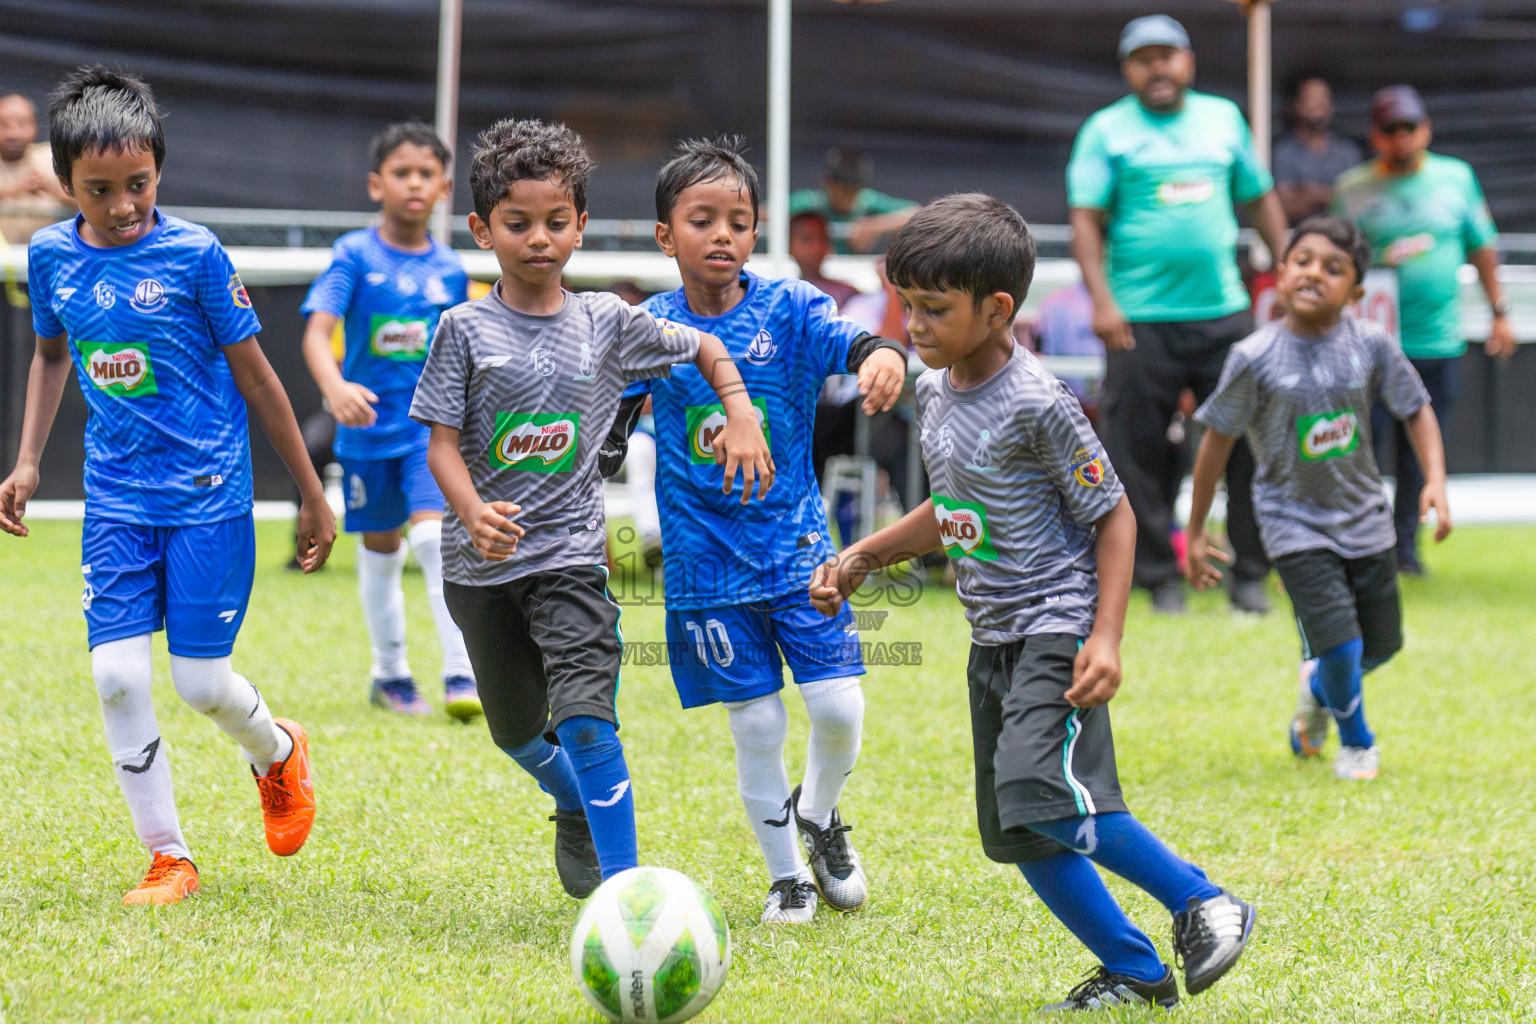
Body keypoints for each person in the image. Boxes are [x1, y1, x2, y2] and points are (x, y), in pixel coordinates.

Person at [810, 194, 1253, 1011]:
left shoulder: (1038, 401)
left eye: (933, 308)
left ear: (997, 308)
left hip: (1056, 624)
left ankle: (1202, 901)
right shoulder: (937, 390)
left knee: (1040, 790)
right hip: (993, 639)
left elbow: (1113, 514)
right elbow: (954, 506)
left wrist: (1107, 637)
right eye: (907, 304)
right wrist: (868, 552)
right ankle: (1135, 970)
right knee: (1019, 829)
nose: (914, 323)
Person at [407, 119, 772, 900]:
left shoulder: (607, 320)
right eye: (518, 223)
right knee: (515, 734)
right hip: (481, 569)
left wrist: (738, 408)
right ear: (481, 230)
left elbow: (705, 348)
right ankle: (570, 801)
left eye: (555, 221)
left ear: (578, 227)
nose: (538, 238)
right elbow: (438, 445)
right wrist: (470, 513)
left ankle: (627, 891)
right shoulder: (461, 331)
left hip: (572, 559)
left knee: (584, 716)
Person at [0, 66, 332, 905]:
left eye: (138, 184)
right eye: (99, 189)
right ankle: (168, 856)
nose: (122, 205)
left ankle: (279, 753)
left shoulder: (195, 255)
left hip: (209, 501)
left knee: (200, 686)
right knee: (116, 677)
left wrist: (310, 492)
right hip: (116, 504)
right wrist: (29, 459)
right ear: (63, 182)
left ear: (159, 172)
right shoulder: (47, 256)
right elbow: (49, 356)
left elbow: (259, 379)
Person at [600, 137, 907, 923]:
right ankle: (787, 878)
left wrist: (881, 357)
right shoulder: (650, 326)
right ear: (667, 236)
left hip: (800, 550)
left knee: (839, 708)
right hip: (706, 567)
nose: (723, 234)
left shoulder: (791, 308)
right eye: (702, 220)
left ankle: (820, 814)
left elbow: (856, 341)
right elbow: (613, 406)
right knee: (759, 721)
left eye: (739, 219)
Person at [1186, 216, 1450, 782]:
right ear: (1281, 274)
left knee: (1380, 646)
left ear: (1355, 293)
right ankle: (1357, 743)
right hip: (1292, 523)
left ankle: (1317, 690)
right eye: (1303, 261)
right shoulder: (1253, 357)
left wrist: (1435, 481)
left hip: (1366, 520)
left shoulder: (1372, 344)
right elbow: (1214, 445)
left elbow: (1416, 408)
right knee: (1340, 643)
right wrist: (1197, 525)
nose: (1314, 274)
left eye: (1333, 269)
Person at [1067, 13, 1290, 615]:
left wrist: (1289, 268)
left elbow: (1259, 194)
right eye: (1144, 58)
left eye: (1168, 55)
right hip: (1138, 320)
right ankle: (1158, 577)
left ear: (1188, 62)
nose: (1158, 67)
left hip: (1224, 313)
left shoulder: (1223, 119)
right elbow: (1085, 221)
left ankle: (1248, 572)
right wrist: (1103, 301)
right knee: (1134, 451)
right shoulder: (1105, 131)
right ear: (1127, 70)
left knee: (1248, 442)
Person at [300, 123, 480, 718]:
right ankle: (391, 675)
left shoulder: (451, 270)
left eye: (426, 174)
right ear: (378, 184)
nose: (414, 184)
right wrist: (335, 386)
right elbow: (316, 333)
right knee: (381, 552)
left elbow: (458, 351)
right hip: (365, 437)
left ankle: (461, 675)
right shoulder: (354, 254)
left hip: (428, 435)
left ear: (444, 187)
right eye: (402, 173)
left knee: (434, 539)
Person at [1332, 85, 1514, 576]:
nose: (1401, 138)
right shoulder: (1352, 188)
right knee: (1360, 449)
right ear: (1375, 135)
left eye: (1409, 127)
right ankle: (1363, 544)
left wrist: (1498, 310)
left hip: (1436, 342)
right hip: (1370, 348)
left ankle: (1405, 548)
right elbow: (1336, 261)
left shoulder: (1456, 179)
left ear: (1426, 129)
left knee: (1418, 454)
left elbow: (1482, 246)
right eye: (1390, 129)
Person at [787, 147, 917, 254]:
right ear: (827, 183)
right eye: (844, 190)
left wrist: (873, 226)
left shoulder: (867, 201)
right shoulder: (810, 202)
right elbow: (769, 213)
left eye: (854, 190)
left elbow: (916, 214)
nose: (849, 197)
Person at [1272, 77, 1362, 223]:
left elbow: (1358, 203)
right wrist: (1333, 195)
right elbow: (1282, 207)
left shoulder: (1347, 151)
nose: (1319, 104)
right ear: (1295, 105)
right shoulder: (1284, 152)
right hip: (1296, 237)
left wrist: (1308, 193)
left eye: (1324, 97)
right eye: (1311, 98)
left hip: (1341, 238)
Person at [0, 93, 73, 245]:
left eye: (21, 123)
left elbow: (94, 198)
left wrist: (55, 191)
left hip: (49, 256)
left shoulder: (53, 157)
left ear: (34, 125)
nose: (13, 133)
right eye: (4, 124)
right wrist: (12, 191)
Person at [788, 210, 858, 306]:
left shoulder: (847, 294)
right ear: (789, 246)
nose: (816, 248)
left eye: (822, 239)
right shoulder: (783, 296)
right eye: (807, 239)